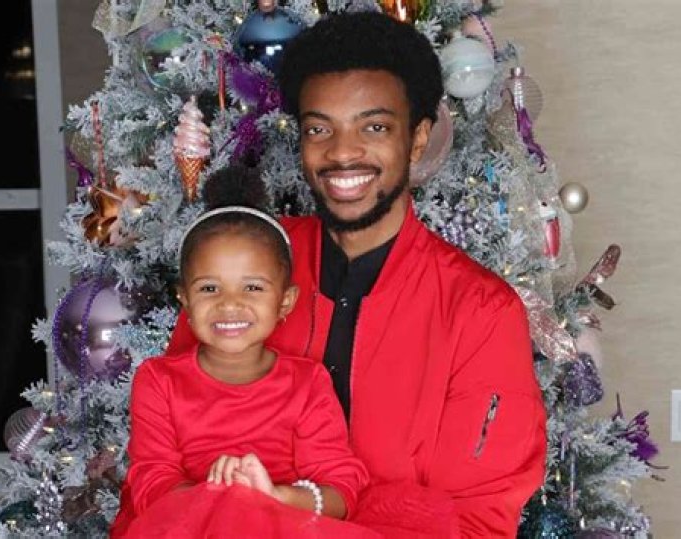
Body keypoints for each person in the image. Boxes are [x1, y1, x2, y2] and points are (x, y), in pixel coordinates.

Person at [168, 11, 546, 538]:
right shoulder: (241, 263)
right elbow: (170, 464)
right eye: (319, 129)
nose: (342, 153)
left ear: (417, 139)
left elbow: (476, 520)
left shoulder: (480, 312)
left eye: (374, 127)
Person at [111, 166, 378, 539]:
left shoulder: (307, 383)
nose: (230, 305)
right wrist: (219, 501)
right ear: (184, 299)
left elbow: (340, 489)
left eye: (252, 288)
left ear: (285, 302)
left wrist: (274, 496)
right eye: (209, 289)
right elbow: (152, 481)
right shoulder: (158, 381)